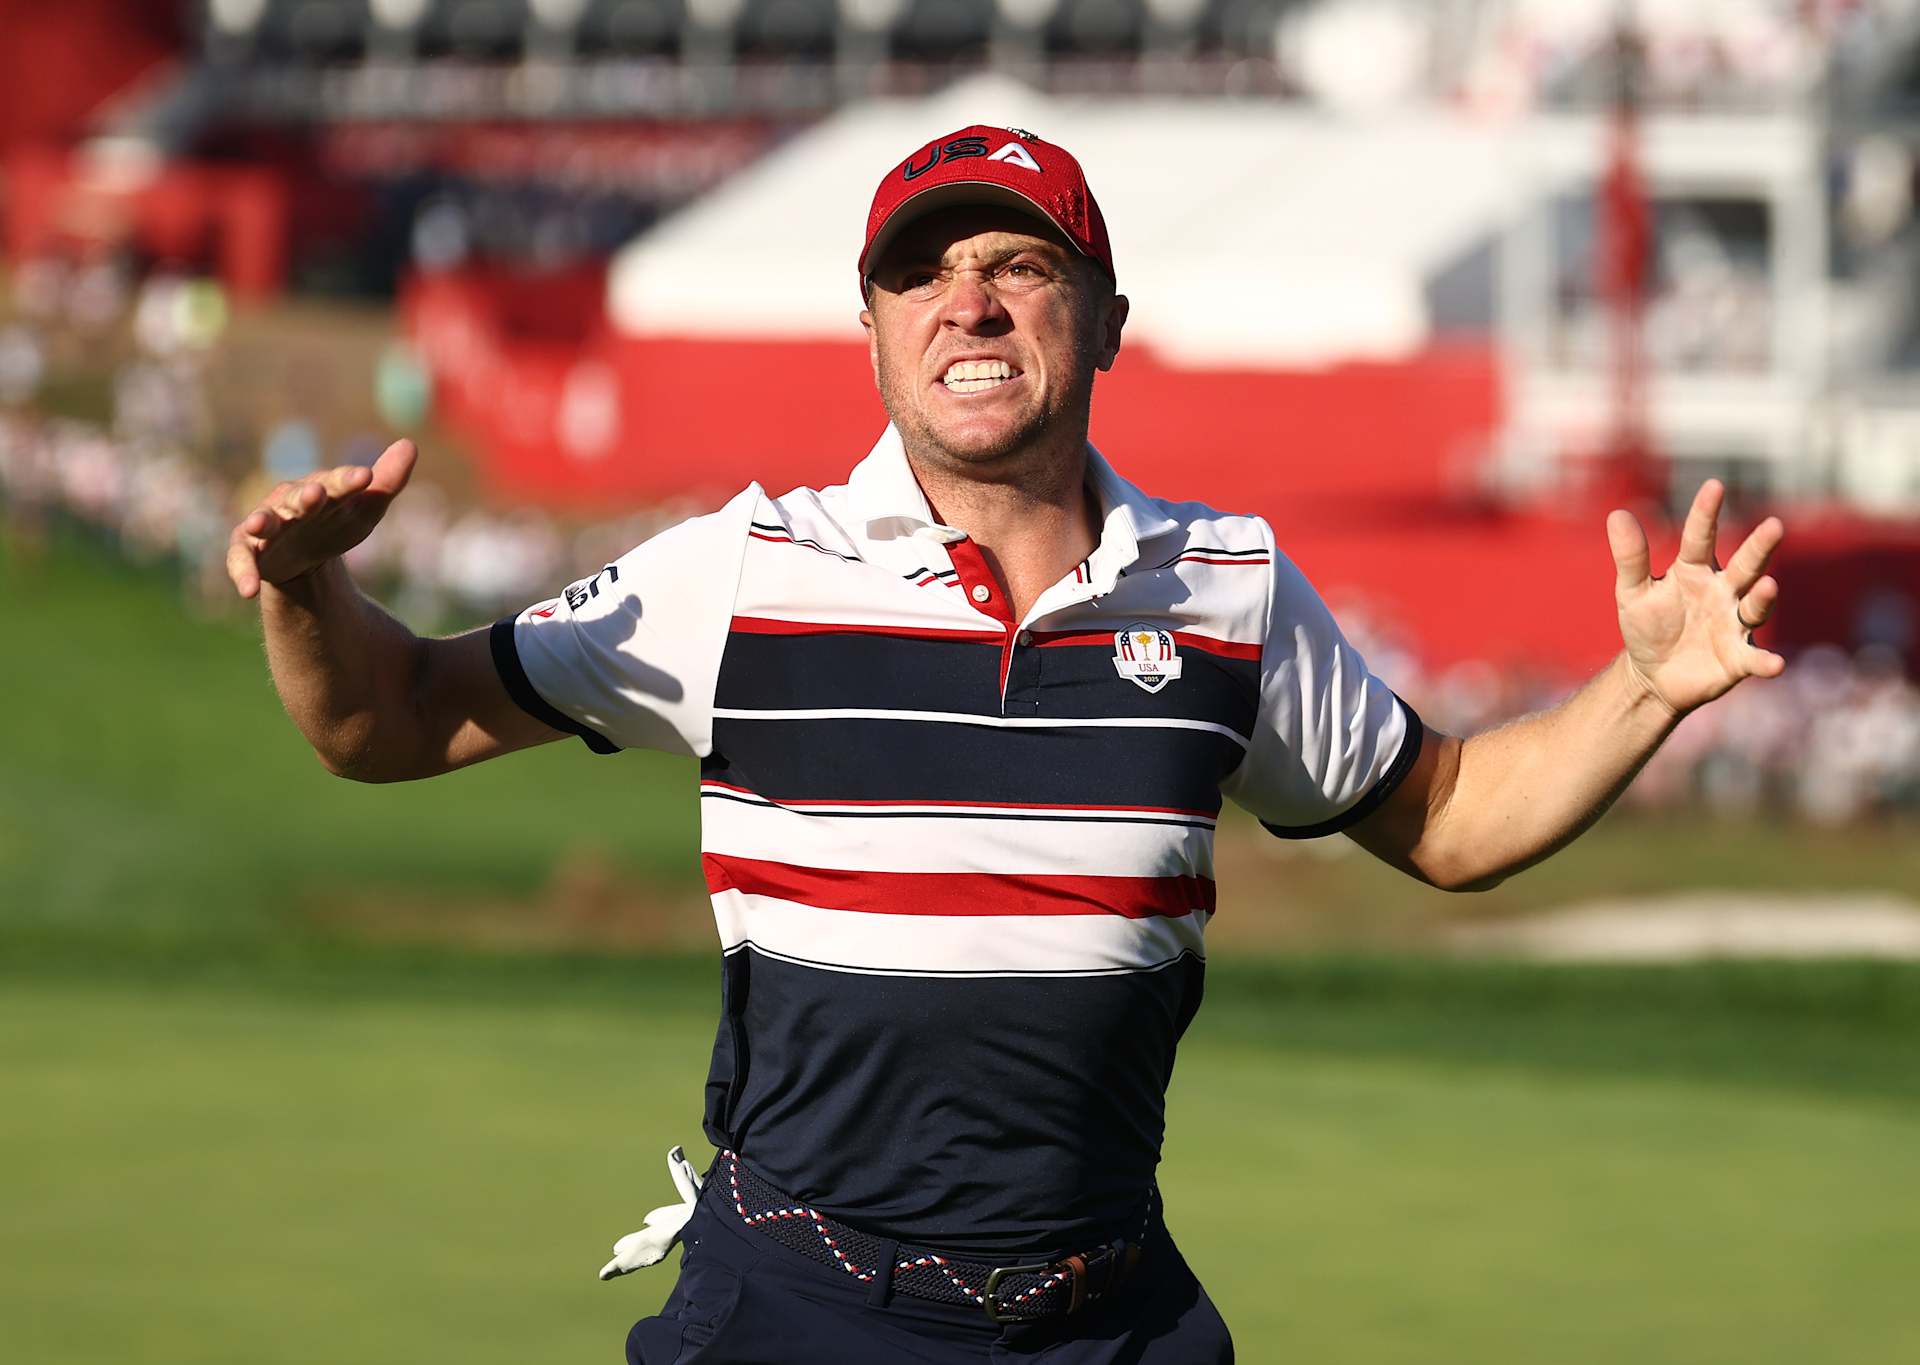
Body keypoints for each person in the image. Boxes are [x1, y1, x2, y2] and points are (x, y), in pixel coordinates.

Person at [225, 126, 1787, 1363]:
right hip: (799, 1310)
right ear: (874, 330)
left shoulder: (1227, 589)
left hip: (1107, 1319)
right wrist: (308, 589)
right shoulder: (746, 570)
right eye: (922, 274)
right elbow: (393, 721)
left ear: (1103, 318)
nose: (965, 301)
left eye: (1017, 264)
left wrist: (1643, 690)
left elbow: (1446, 814)